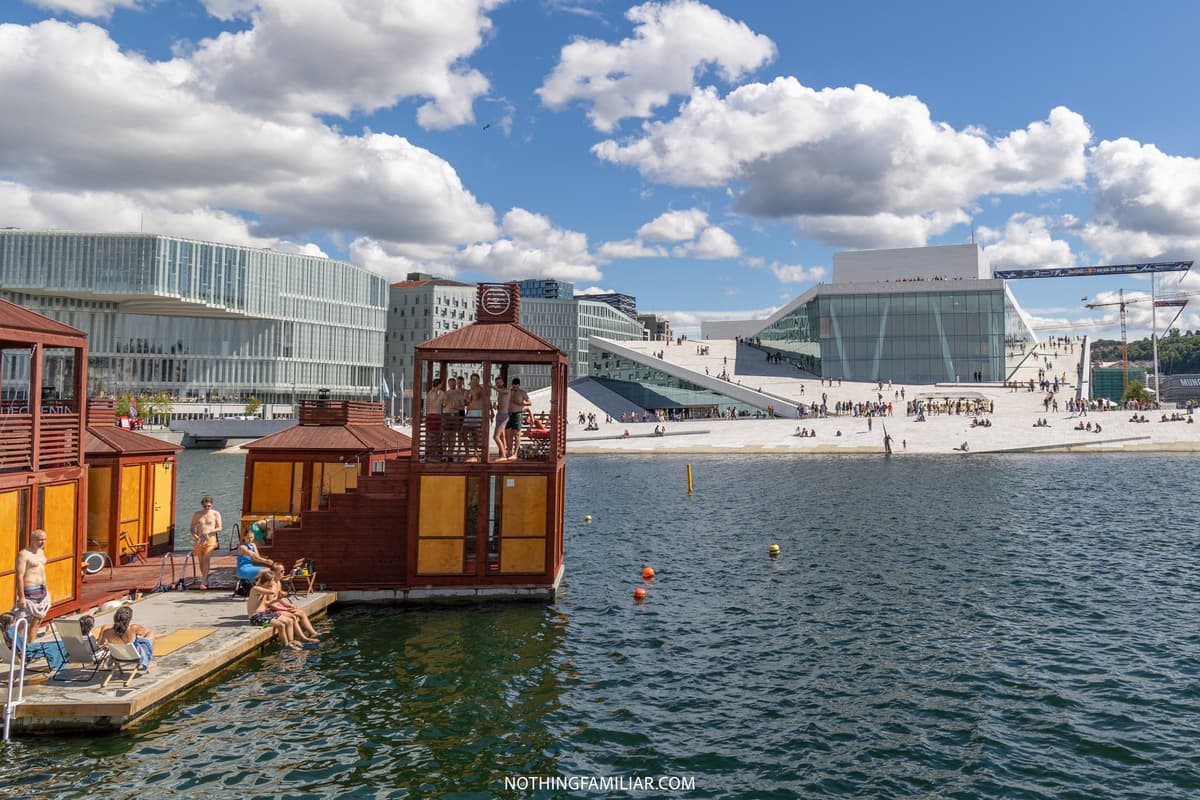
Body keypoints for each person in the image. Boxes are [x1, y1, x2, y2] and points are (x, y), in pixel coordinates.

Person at [246, 571, 305, 649]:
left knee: (290, 621)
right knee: (281, 625)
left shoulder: (263, 589)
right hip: (256, 619)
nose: (272, 583)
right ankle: (286, 646)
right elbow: (272, 592)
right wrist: (274, 584)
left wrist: (278, 599)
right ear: (265, 581)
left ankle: (291, 641)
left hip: (265, 614)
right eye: (270, 581)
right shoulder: (256, 589)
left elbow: (266, 603)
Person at [267, 563, 320, 640]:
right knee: (293, 617)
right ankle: (302, 638)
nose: (284, 572)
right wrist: (285, 609)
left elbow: (278, 598)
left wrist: (287, 605)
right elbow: (269, 603)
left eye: (283, 571)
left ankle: (313, 633)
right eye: (281, 571)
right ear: (274, 572)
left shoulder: (278, 582)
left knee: (301, 612)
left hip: (278, 607)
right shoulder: (270, 585)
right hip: (273, 609)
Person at [1, 610, 66, 672]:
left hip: (27, 649)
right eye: (15, 621)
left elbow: (20, 647)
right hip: (29, 651)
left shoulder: (6, 632)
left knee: (57, 643)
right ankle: (57, 665)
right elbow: (23, 649)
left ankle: (57, 663)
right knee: (59, 645)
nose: (16, 623)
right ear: (10, 623)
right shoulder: (11, 632)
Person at [15, 528, 51, 638]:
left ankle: (30, 645)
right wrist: (21, 596)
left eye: (44, 539)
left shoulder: (41, 552)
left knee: (37, 620)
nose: (43, 542)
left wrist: (47, 590)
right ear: (32, 539)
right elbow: (19, 576)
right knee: (23, 621)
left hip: (42, 589)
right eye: (40, 540)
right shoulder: (24, 554)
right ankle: (19, 648)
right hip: (29, 590)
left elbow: (42, 571)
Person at [97, 605, 156, 671]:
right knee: (151, 634)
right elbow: (144, 633)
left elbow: (100, 644)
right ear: (129, 618)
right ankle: (148, 662)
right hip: (135, 656)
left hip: (118, 656)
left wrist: (110, 647)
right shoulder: (134, 628)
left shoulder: (106, 632)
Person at [189, 496, 222, 589]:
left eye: (209, 506)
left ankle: (203, 582)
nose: (207, 508)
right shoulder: (197, 514)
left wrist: (210, 532)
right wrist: (195, 536)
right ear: (202, 505)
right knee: (201, 561)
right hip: (199, 539)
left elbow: (220, 527)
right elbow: (191, 528)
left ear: (211, 505)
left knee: (207, 558)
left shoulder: (215, 514)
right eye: (205, 506)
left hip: (210, 538)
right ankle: (205, 578)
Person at [506, 378, 531, 459]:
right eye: (513, 385)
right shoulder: (508, 391)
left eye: (516, 386)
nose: (515, 387)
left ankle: (515, 453)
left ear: (519, 385)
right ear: (512, 385)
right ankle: (509, 451)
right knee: (508, 434)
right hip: (508, 414)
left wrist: (521, 403)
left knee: (517, 434)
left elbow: (530, 402)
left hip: (517, 413)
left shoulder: (522, 392)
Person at [492, 375, 511, 459]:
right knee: (501, 436)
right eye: (497, 383)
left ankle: (503, 455)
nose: (498, 384)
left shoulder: (506, 390)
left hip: (504, 416)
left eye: (499, 382)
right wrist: (496, 406)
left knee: (495, 436)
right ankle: (504, 453)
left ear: (503, 382)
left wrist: (492, 386)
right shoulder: (499, 392)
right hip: (499, 415)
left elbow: (502, 391)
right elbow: (502, 404)